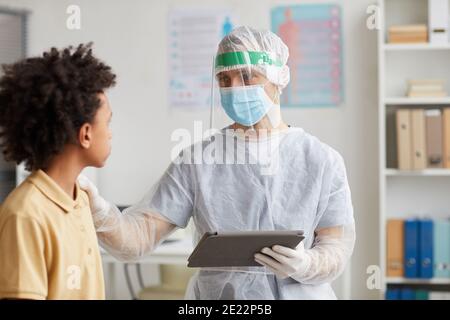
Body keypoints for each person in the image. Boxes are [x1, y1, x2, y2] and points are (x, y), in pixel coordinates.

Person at [79, 26, 356, 300]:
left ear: (279, 77)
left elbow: (336, 247)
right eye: (224, 80)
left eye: (247, 77)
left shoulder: (321, 161)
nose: (234, 89)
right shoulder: (198, 162)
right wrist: (99, 210)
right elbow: (137, 239)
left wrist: (306, 263)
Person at [0, 44, 116, 299]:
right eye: (107, 122)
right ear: (85, 134)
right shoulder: (25, 215)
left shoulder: (81, 200)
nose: (110, 133)